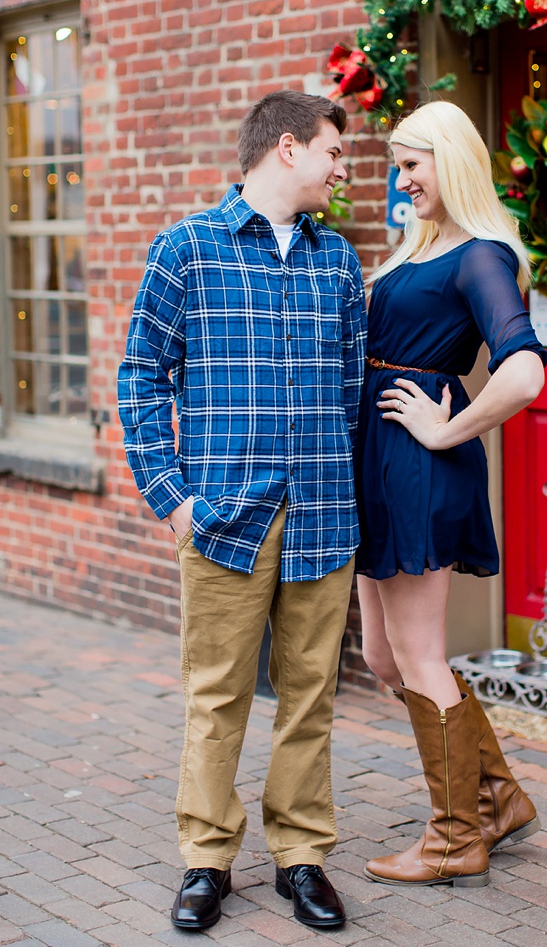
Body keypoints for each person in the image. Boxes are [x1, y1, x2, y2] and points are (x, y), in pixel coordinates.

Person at [118, 91, 363, 932]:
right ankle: (207, 860)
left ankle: (301, 855)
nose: (343, 167)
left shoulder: (338, 261)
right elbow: (141, 378)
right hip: (222, 517)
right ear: (288, 148)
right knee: (218, 694)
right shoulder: (187, 248)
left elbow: (352, 390)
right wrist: (172, 499)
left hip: (325, 512)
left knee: (310, 695)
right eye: (334, 151)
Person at [353, 100, 547, 888]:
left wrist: (449, 427)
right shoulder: (415, 249)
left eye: (413, 164)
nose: (402, 180)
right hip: (381, 460)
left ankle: (453, 836)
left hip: (418, 464)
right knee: (382, 656)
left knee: (420, 655)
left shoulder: (481, 255)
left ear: (451, 160)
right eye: (397, 165)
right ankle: (495, 796)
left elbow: (525, 370)